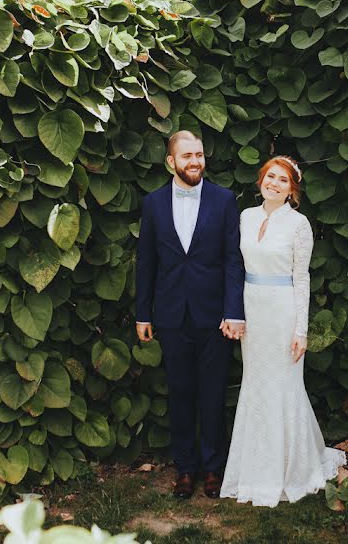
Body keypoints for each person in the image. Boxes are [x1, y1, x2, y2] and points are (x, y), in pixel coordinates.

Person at [220, 155, 346, 507]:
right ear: (261, 180)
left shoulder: (298, 224)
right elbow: (234, 267)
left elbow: (301, 278)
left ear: (293, 190)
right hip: (252, 309)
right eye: (270, 177)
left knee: (285, 386)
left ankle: (291, 469)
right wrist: (234, 312)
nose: (274, 183)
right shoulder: (246, 217)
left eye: (283, 180)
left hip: (282, 309)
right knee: (256, 385)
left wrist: (301, 331)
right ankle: (255, 469)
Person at [134, 130, 246, 499]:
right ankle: (185, 469)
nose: (195, 161)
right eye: (187, 156)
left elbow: (233, 260)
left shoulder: (224, 200)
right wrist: (142, 314)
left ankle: (213, 469)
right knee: (180, 393)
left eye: (199, 154)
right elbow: (146, 262)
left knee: (213, 394)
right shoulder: (152, 204)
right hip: (170, 315)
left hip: (214, 315)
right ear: (171, 161)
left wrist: (233, 310)